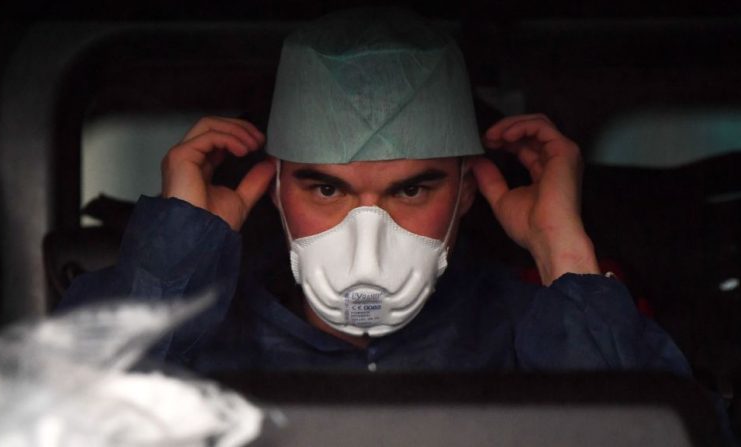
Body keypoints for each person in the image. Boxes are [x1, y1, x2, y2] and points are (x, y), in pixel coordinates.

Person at [59, 8, 690, 375]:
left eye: (412, 189)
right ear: (276, 190)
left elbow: (642, 427)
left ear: (466, 193)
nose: (368, 242)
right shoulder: (208, 338)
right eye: (326, 189)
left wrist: (562, 251)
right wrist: (175, 257)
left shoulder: (534, 333)